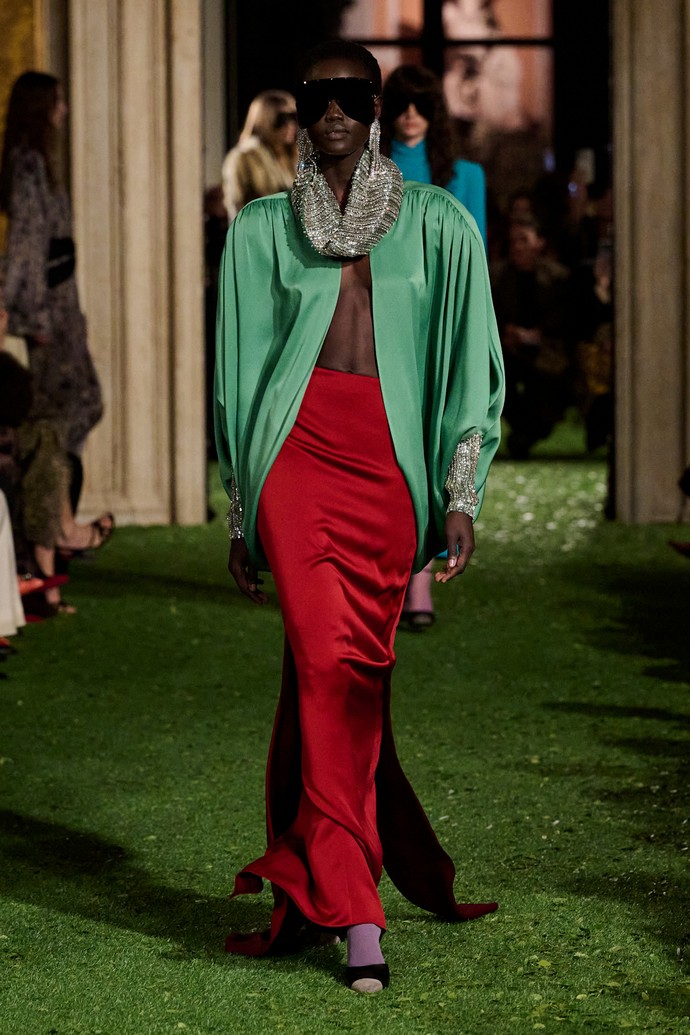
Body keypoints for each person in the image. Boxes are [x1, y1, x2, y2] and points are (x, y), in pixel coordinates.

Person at [215, 40, 504, 994]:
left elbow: (469, 360)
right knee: (319, 664)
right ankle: (357, 913)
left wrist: (459, 491)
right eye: (319, 94)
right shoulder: (260, 229)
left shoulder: (440, 223)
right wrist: (240, 511)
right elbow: (240, 378)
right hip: (294, 465)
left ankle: (315, 877)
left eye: (353, 93)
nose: (335, 108)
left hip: (387, 469)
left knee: (355, 677)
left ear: (377, 107)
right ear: (301, 109)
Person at [0, 72, 113, 613]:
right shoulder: (28, 164)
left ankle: (52, 541)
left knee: (75, 412)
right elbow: (26, 247)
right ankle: (50, 549)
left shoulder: (38, 163)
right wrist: (28, 312)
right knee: (55, 423)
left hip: (61, 307)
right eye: (59, 101)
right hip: (47, 312)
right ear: (43, 107)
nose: (65, 110)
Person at [381, 63, 488, 627]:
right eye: (401, 105)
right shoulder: (369, 172)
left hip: (442, 327)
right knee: (392, 450)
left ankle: (418, 579)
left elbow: (477, 258)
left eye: (421, 106)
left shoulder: (466, 176)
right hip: (384, 326)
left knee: (436, 444)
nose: (410, 116)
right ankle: (401, 580)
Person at [491, 211, 572, 459]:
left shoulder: (558, 278)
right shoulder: (497, 276)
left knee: (549, 381)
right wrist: (507, 335)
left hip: (547, 351)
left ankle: (528, 433)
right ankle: (524, 432)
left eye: (524, 240)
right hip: (508, 350)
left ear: (539, 242)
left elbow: (565, 322)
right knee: (496, 375)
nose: (518, 247)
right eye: (513, 241)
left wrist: (535, 336)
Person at [221, 90, 298, 220]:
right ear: (265, 120)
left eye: (294, 118)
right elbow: (237, 206)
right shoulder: (244, 157)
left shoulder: (292, 156)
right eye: (283, 119)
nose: (290, 126)